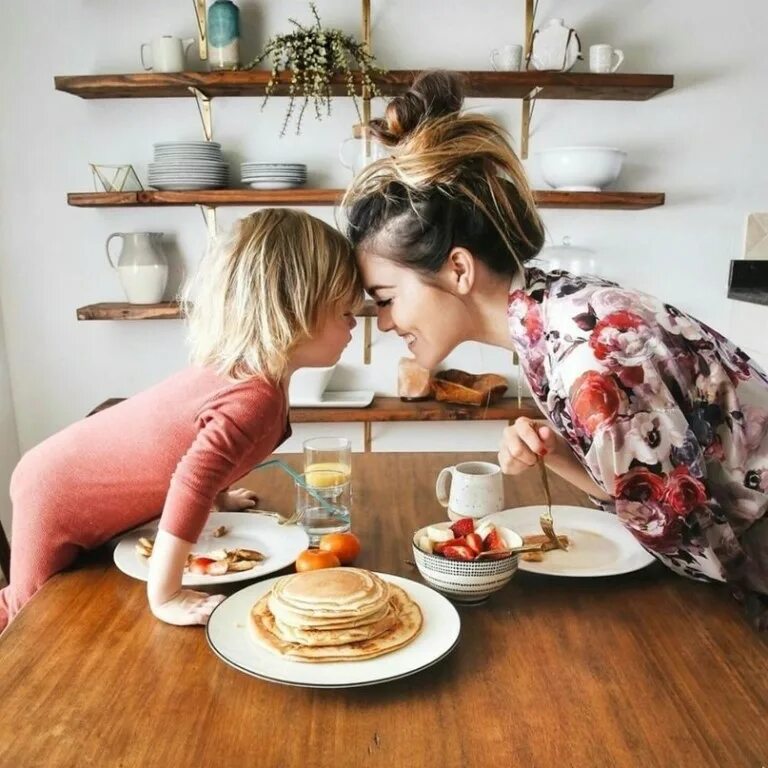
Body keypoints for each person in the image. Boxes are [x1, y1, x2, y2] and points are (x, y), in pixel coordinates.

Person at [342, 70, 768, 629]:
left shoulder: (586, 356)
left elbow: (693, 547)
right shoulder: (556, 306)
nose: (386, 321)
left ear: (459, 269)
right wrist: (561, 456)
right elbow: (651, 500)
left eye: (388, 298)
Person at [0, 209, 361, 631]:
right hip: (55, 493)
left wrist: (220, 498)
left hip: (67, 483)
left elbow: (200, 447)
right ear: (295, 309)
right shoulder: (254, 396)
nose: (355, 324)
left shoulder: (252, 375)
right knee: (27, 617)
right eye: (345, 313)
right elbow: (194, 477)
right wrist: (166, 593)